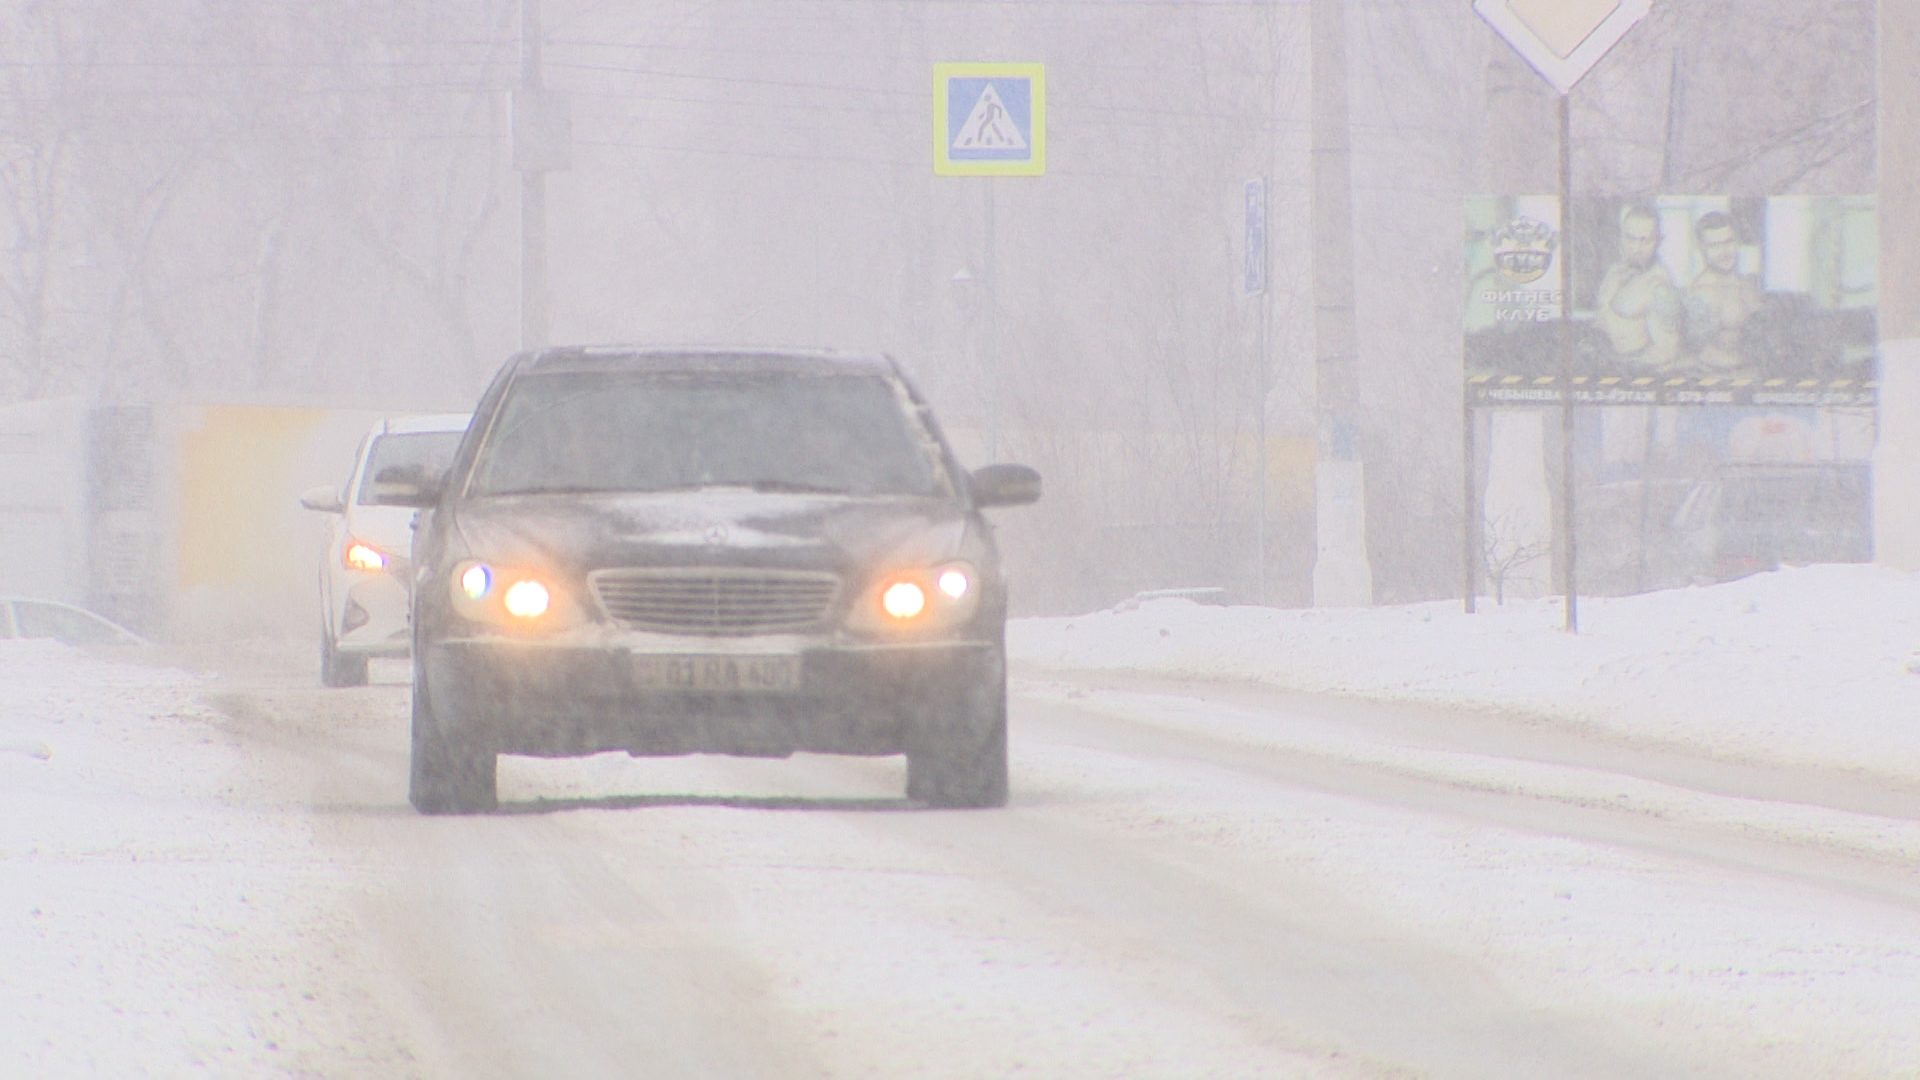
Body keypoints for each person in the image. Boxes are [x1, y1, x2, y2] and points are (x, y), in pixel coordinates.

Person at [1595, 204, 1682, 370]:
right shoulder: (1615, 271)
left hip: (1631, 375)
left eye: (1645, 241)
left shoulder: (1658, 288)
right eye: (1630, 239)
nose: (1636, 249)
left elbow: (1668, 352)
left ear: (1658, 241)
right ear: (1621, 238)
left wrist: (1621, 367)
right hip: (1605, 369)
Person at [1684, 211, 1764, 373]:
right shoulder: (1703, 292)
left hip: (1750, 374)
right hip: (1717, 378)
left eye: (1728, 242)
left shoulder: (1746, 283)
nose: (1724, 252)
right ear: (1701, 248)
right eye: (1715, 245)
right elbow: (1697, 352)